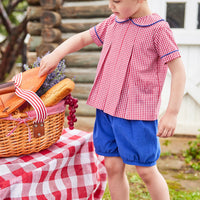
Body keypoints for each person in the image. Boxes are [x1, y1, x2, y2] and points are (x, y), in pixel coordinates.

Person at [39, 0, 186, 199]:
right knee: (112, 166)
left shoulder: (158, 29)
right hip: (107, 110)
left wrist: (172, 113)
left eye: (117, 1)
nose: (111, 6)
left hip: (137, 115)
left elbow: (178, 71)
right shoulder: (113, 22)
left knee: (146, 171)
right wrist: (56, 54)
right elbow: (83, 38)